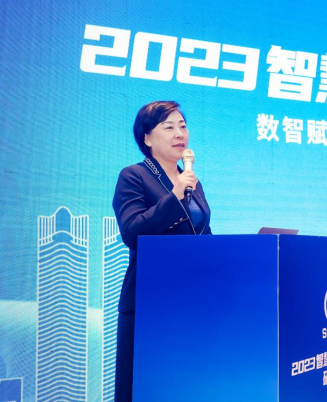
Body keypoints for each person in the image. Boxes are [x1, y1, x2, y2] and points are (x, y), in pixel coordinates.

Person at [112, 101, 212, 402]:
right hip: (150, 302)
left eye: (183, 126)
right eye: (169, 127)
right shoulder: (134, 176)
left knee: (184, 386)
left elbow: (201, 235)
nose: (180, 133)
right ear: (147, 138)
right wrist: (175, 195)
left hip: (191, 301)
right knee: (144, 388)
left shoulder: (192, 181)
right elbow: (132, 232)